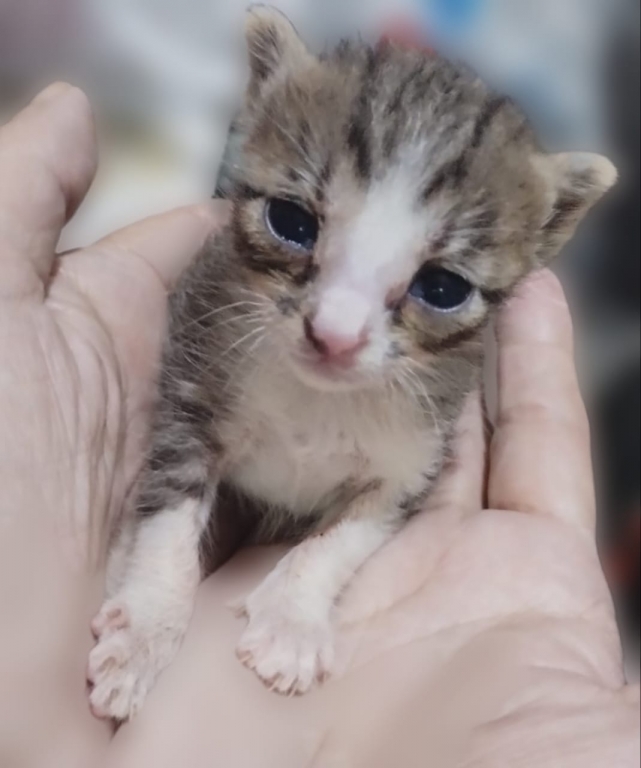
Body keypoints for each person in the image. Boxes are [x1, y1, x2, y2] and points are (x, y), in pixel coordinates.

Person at [0, 84, 638, 768]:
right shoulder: (230, 334)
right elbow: (187, 438)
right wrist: (155, 595)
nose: (335, 328)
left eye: (441, 287)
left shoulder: (426, 412)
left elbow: (388, 495)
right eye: (296, 224)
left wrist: (307, 589)